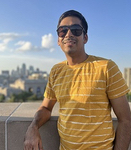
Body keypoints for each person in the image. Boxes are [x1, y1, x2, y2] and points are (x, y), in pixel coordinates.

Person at [24, 10, 131, 150]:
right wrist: (33, 127)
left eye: (75, 30)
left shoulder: (106, 67)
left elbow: (125, 120)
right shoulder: (56, 71)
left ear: (85, 38)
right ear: (58, 40)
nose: (69, 34)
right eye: (63, 31)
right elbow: (45, 108)